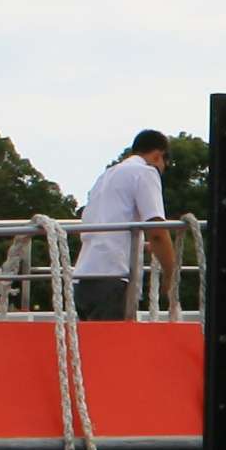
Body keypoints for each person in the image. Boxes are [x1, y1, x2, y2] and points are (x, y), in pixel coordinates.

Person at [70, 130, 170, 321]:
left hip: (84, 278)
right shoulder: (146, 172)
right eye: (166, 163)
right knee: (111, 347)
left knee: (91, 347)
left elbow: (104, 226)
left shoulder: (106, 176)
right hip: (113, 278)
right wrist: (171, 274)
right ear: (158, 155)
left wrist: (141, 246)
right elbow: (157, 231)